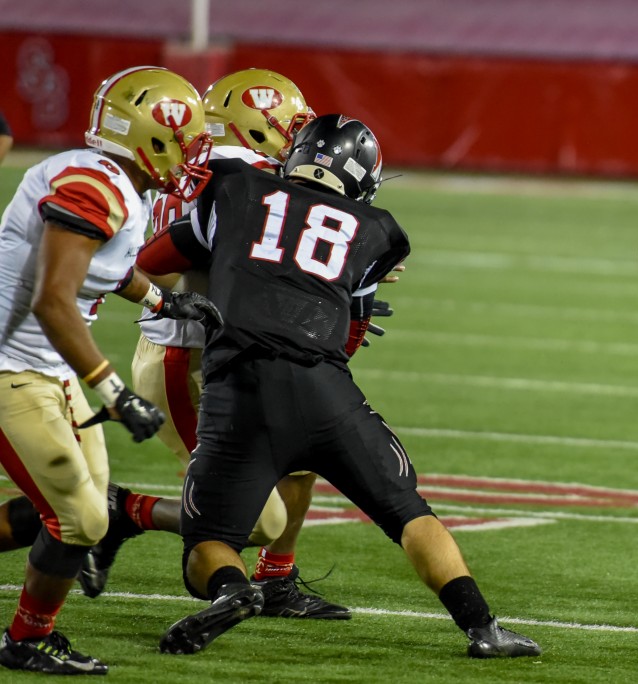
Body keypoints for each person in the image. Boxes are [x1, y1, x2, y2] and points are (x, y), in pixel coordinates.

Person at [136, 114, 541, 658]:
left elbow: (150, 262)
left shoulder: (233, 187)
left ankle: (233, 592)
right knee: (409, 512)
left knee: (208, 541)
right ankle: (482, 628)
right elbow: (350, 333)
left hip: (238, 389)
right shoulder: (378, 229)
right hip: (323, 388)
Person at [76, 68, 351, 621]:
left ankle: (277, 582)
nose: (296, 137)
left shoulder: (206, 167)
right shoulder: (240, 173)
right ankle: (125, 511)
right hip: (187, 355)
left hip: (235, 351)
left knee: (300, 461)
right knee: (255, 518)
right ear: (255, 127)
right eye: (287, 124)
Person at [0, 66, 219, 675]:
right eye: (187, 137)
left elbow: (110, 266)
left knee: (81, 510)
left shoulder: (118, 183)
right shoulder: (93, 185)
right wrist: (115, 392)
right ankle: (25, 640)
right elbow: (53, 298)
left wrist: (162, 301)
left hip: (46, 366)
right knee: (80, 518)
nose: (194, 149)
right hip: (11, 367)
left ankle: (28, 635)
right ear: (150, 137)